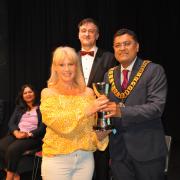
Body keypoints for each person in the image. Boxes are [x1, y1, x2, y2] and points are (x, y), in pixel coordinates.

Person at [103, 28, 168, 180]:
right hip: (119, 153)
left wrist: (121, 112)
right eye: (117, 45)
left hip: (148, 152)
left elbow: (156, 107)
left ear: (137, 47)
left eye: (127, 44)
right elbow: (107, 108)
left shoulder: (153, 70)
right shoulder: (109, 75)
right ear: (113, 49)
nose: (122, 48)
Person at [40, 46, 110, 180]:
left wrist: (101, 134)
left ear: (76, 66)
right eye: (62, 65)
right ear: (55, 68)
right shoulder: (48, 93)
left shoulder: (89, 92)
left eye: (70, 64)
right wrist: (87, 110)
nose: (66, 69)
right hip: (57, 160)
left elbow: (91, 126)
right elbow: (59, 124)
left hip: (85, 159)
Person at [78, 17, 118, 180]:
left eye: (91, 31)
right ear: (78, 34)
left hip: (100, 118)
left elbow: (114, 87)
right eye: (83, 30)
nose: (87, 34)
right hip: (78, 119)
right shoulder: (69, 57)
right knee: (79, 165)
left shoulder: (109, 57)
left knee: (101, 165)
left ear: (98, 35)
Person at [0, 84, 46, 180]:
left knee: (12, 149)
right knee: (1, 146)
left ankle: (9, 177)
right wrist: (16, 132)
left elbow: (42, 127)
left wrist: (28, 134)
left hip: (33, 136)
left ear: (34, 93)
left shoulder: (42, 107)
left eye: (30, 92)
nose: (28, 94)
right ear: (22, 96)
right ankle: (15, 174)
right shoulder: (19, 108)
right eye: (25, 93)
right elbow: (11, 123)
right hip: (18, 133)